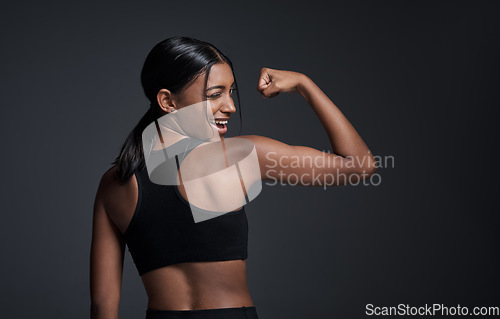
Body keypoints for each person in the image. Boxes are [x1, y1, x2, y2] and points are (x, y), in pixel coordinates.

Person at [90, 36, 376, 319]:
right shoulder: (243, 157)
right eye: (215, 94)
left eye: (230, 92)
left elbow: (103, 306)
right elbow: (360, 166)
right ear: (168, 101)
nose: (230, 106)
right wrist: (304, 84)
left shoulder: (114, 183)